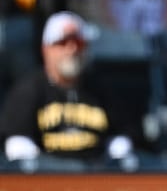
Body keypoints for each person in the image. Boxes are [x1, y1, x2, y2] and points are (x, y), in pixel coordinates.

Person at [0, 11, 139, 172]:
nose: (72, 49)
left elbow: (123, 138)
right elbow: (17, 145)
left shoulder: (103, 90)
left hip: (97, 185)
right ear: (46, 49)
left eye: (78, 42)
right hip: (46, 185)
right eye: (63, 42)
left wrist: (112, 161)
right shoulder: (27, 91)